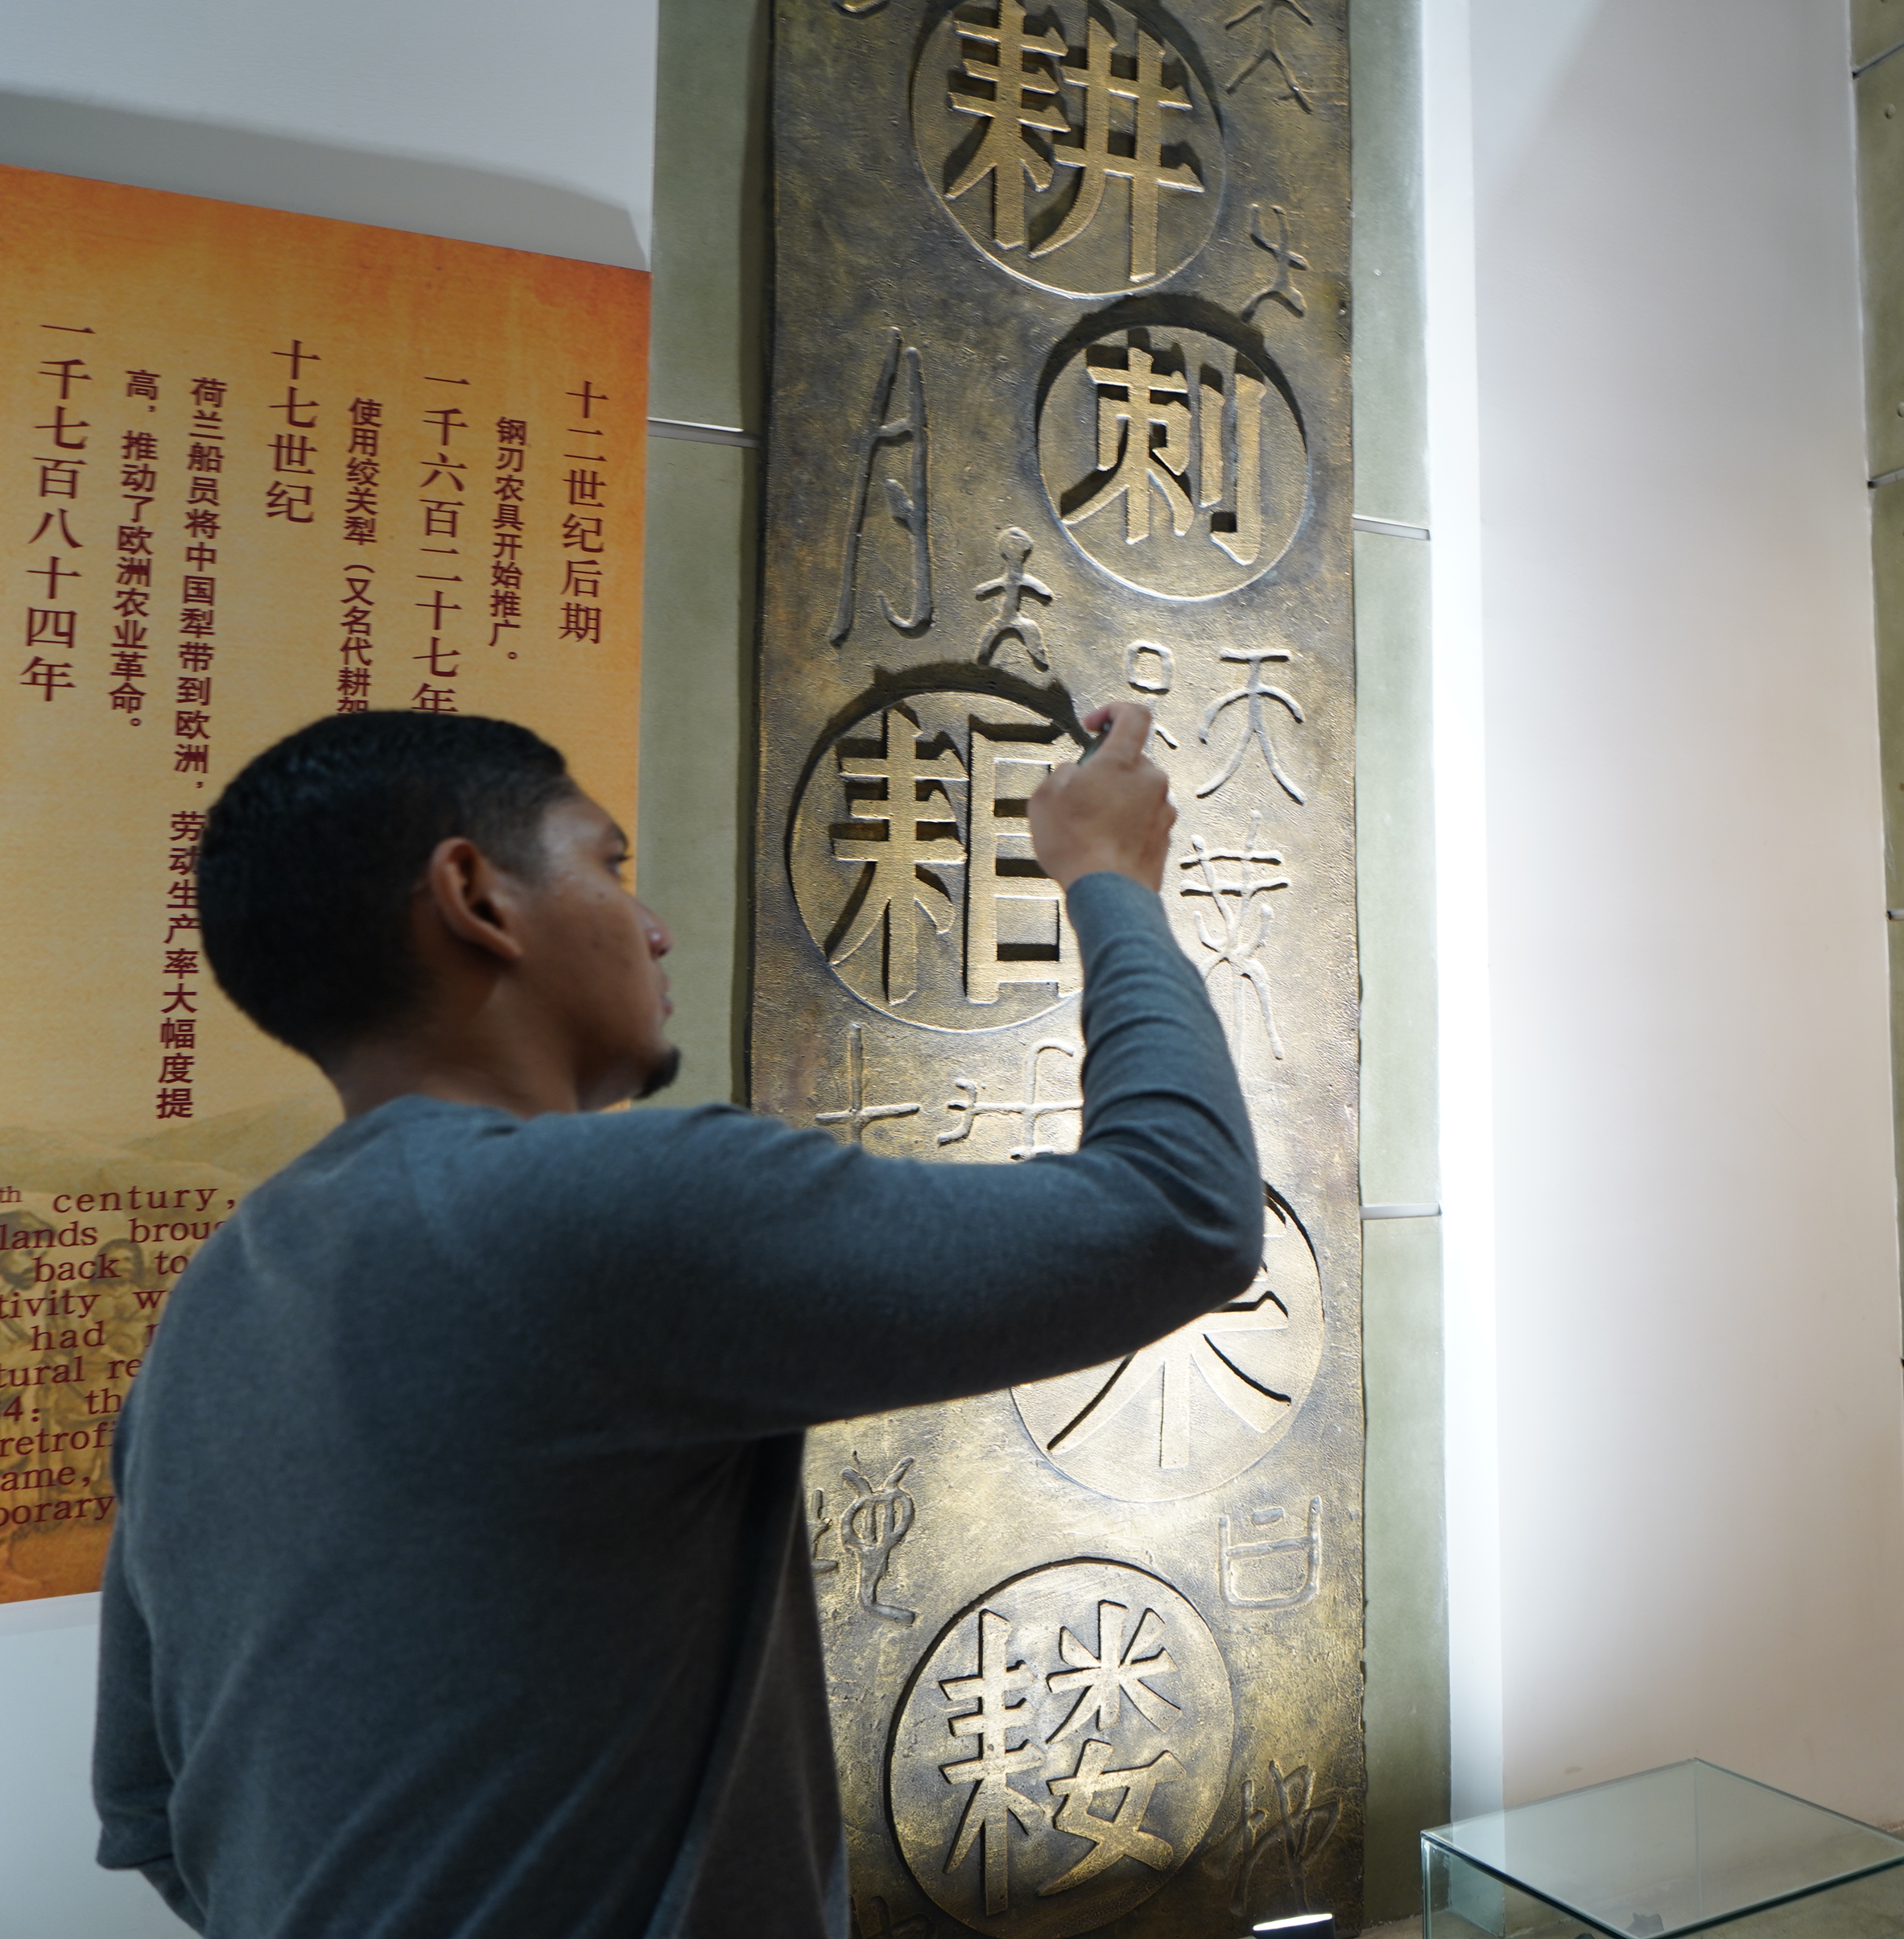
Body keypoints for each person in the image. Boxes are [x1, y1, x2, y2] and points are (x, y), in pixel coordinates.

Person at [92, 705, 1260, 1937]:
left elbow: (150, 1805)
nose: (655, 928)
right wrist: (1110, 880)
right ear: (475, 896)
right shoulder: (596, 1210)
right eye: (608, 865)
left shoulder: (209, 1306)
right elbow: (1178, 1214)